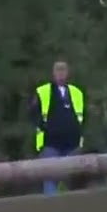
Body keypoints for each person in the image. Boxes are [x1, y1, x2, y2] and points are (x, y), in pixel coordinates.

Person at [30, 61, 85, 195]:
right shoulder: (43, 91)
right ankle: (51, 206)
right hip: (50, 144)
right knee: (50, 178)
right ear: (53, 73)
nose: (61, 73)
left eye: (63, 70)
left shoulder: (76, 92)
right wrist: (44, 127)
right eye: (58, 70)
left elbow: (84, 116)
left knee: (73, 181)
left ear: (67, 73)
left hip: (72, 144)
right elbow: (32, 114)